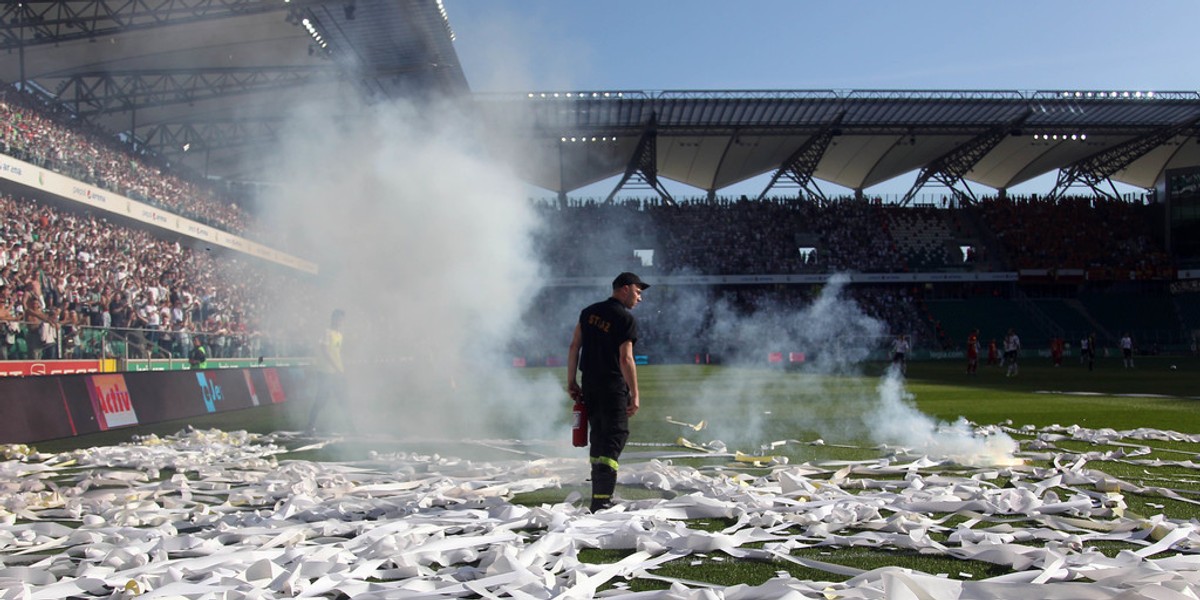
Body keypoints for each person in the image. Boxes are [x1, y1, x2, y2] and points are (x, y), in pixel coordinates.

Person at [567, 272, 649, 512]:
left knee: (599, 437)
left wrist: (571, 380)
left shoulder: (588, 312)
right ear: (624, 288)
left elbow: (574, 346)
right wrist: (635, 393)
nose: (640, 298)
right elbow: (626, 359)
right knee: (614, 436)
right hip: (612, 386)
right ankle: (602, 499)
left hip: (590, 383)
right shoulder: (625, 319)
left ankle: (599, 492)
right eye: (637, 291)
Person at [306, 309, 353, 434]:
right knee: (321, 400)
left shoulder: (339, 335)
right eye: (338, 318)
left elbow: (337, 353)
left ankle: (351, 427)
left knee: (343, 399)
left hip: (337, 372)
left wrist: (341, 368)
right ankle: (310, 427)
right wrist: (336, 367)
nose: (340, 322)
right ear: (333, 319)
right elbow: (324, 350)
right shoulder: (327, 333)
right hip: (325, 372)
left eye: (342, 319)